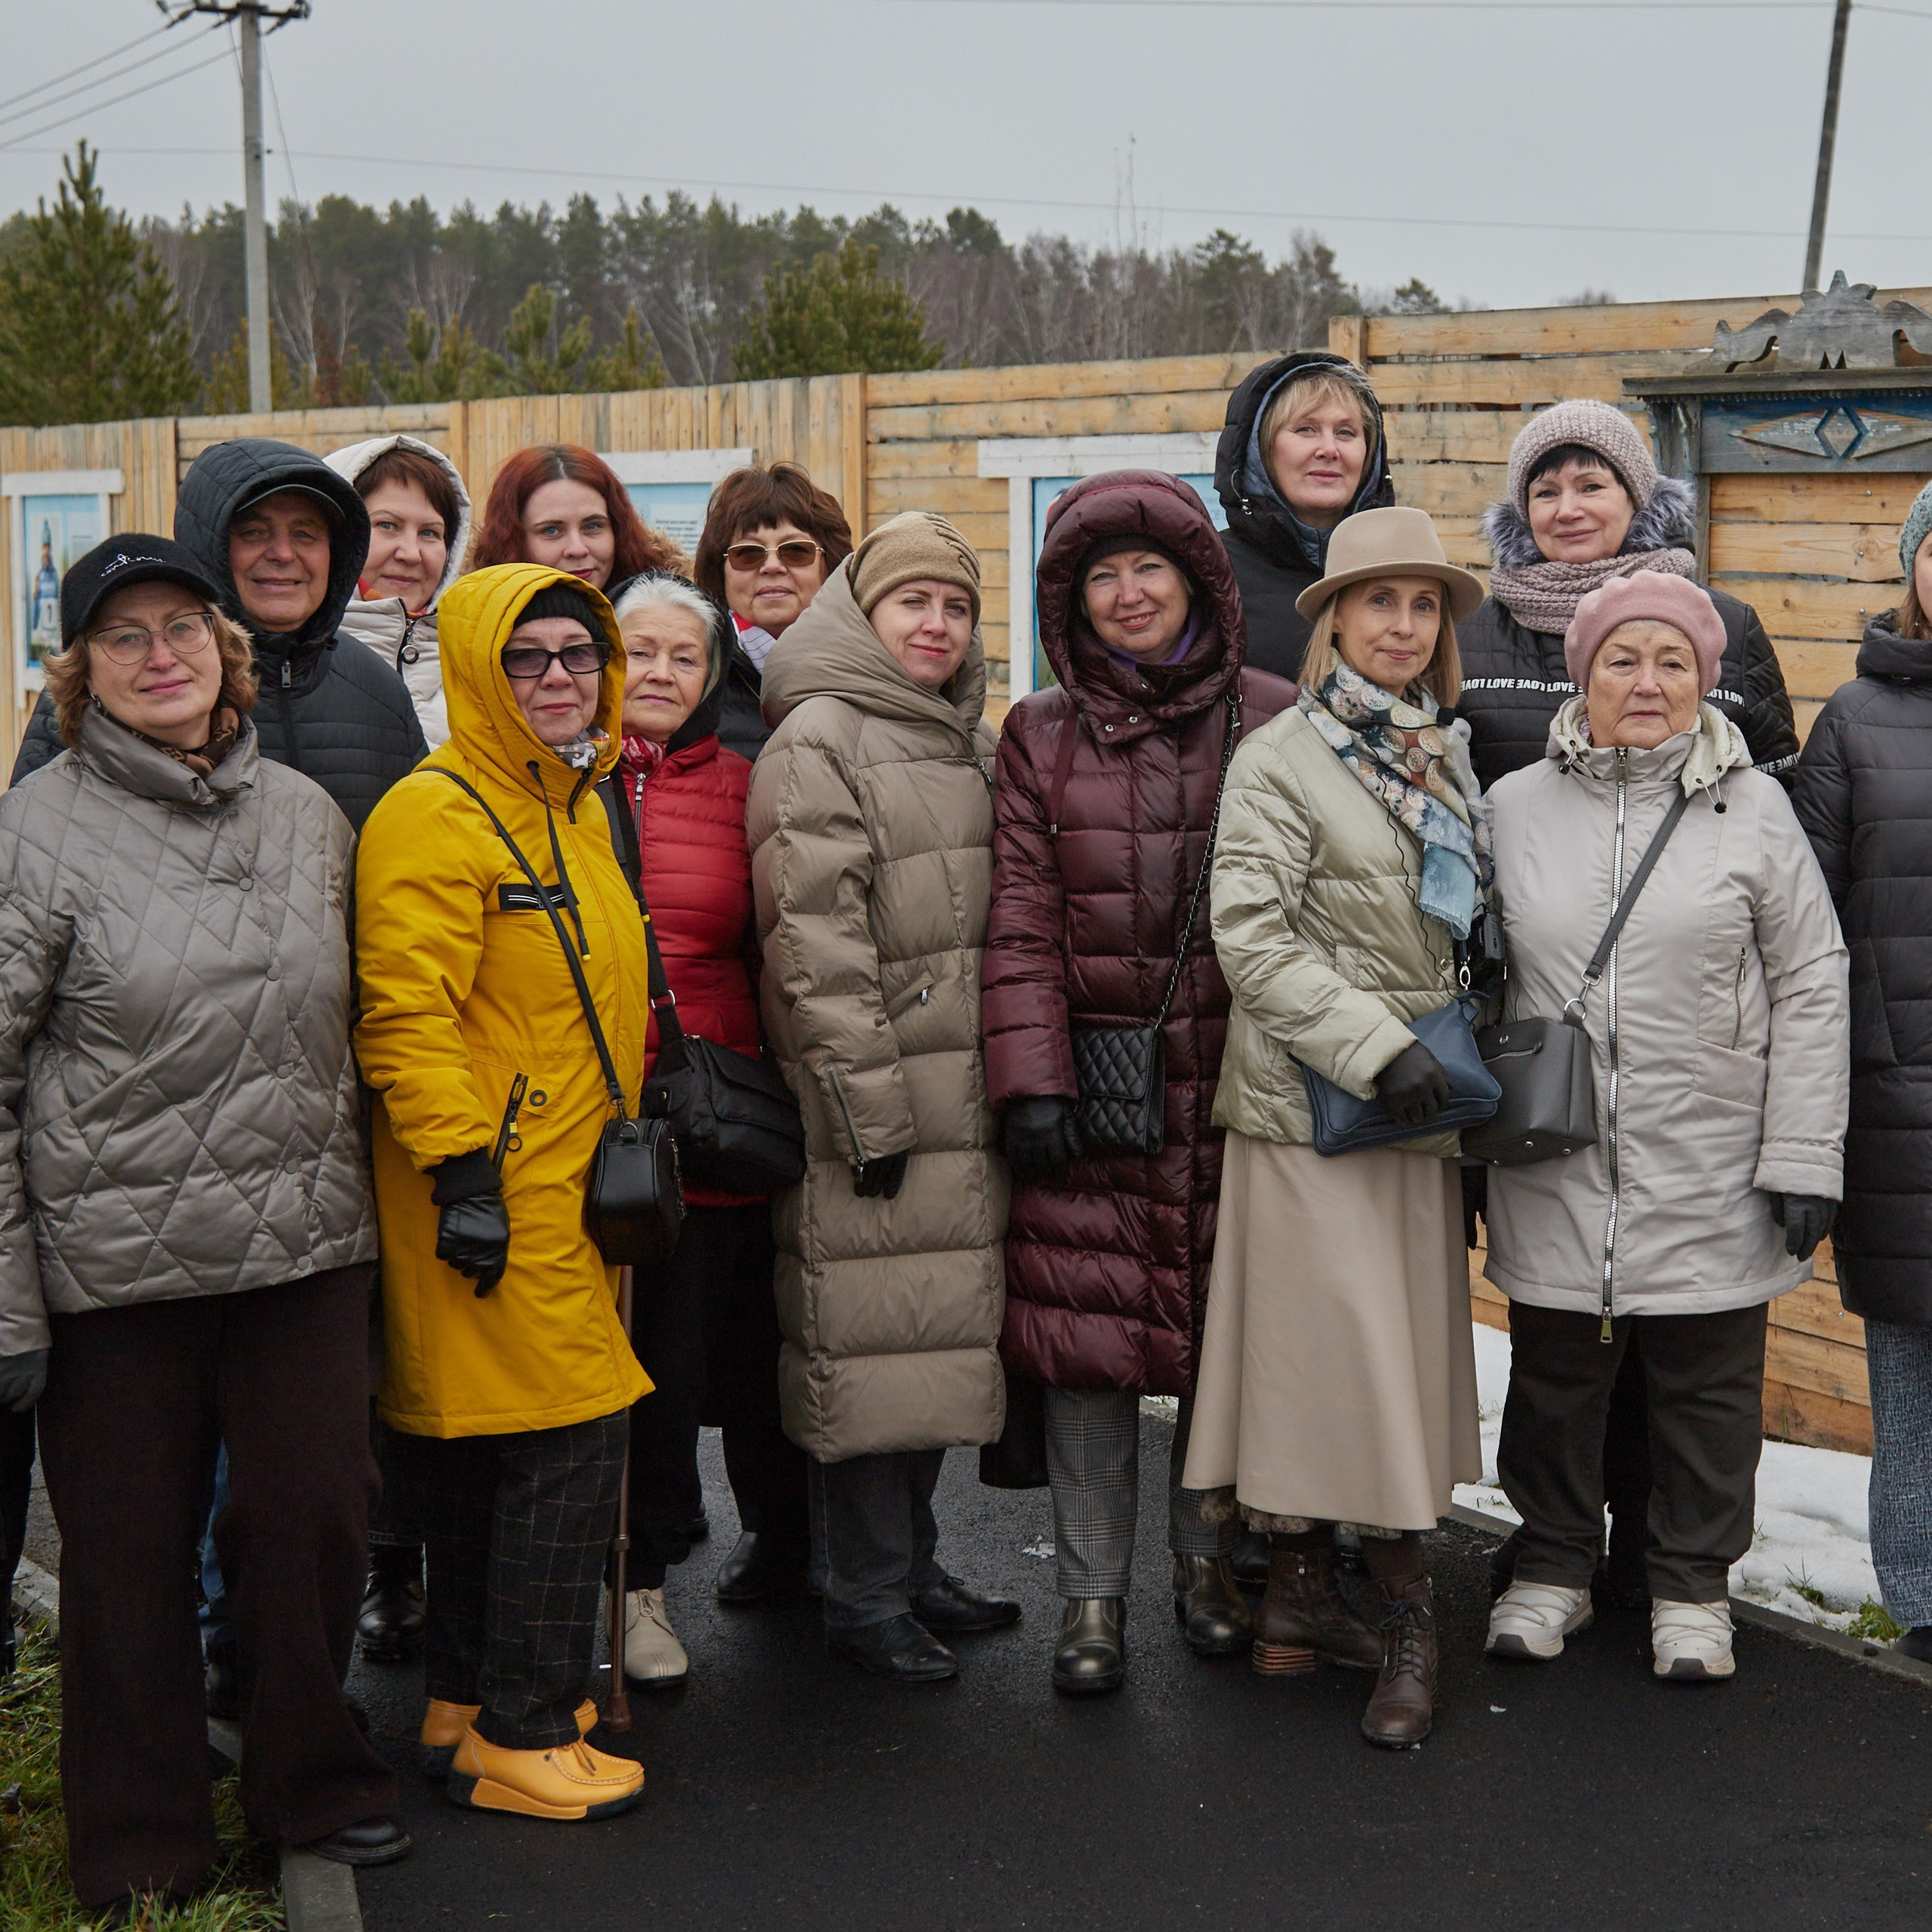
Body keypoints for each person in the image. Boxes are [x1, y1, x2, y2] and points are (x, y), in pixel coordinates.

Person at [0, 535, 406, 1914]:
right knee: (125, 1564)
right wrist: (8, 1309)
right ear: (81, 674)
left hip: (301, 1248)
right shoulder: (31, 833)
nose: (161, 653)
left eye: (184, 626)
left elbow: (372, 1023)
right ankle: (140, 1837)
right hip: (113, 1273)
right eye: (125, 636)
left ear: (229, 650)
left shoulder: (303, 813)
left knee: (312, 1527)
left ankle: (313, 1776)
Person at [1459, 398, 1802, 1611]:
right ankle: (1556, 1557)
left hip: (1693, 1059)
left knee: (1692, 1349)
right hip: (1550, 1053)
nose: (1567, 507)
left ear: (1637, 497)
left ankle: (1679, 1571)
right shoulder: (1478, 624)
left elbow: (1782, 855)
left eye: (1590, 484)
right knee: (1564, 1340)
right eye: (1545, 488)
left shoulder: (1733, 648)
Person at [1484, 571, 1847, 1683]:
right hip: (1559, 1156)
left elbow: (1814, 981)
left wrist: (1802, 1155)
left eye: (1673, 663)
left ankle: (1692, 1588)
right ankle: (1550, 1568)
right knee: (1557, 1380)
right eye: (1621, 662)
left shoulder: (1758, 809)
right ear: (1582, 676)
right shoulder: (1511, 808)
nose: (1648, 683)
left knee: (1706, 1386)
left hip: (1713, 1152)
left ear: (1707, 680)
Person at [981, 470, 1295, 1694]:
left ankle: (1207, 1572)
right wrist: (1032, 1082)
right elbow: (1018, 921)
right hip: (1097, 1091)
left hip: (1235, 1088)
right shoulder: (1039, 734)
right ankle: (1092, 1600)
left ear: (1196, 584)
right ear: (1072, 598)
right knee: (1088, 1355)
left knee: (1223, 1345)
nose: (1127, 594)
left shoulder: (1269, 716)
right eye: (1101, 575)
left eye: (1148, 569)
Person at [1182, 505, 1489, 1750]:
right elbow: (1250, 936)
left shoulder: (1440, 756)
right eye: (1381, 604)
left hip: (1421, 1106)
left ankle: (1300, 1603)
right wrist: (1375, 1048)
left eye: (1424, 607)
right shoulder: (1283, 757)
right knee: (1340, 1360)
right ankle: (1406, 1606)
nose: (1404, 626)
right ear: (1334, 623)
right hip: (1318, 1106)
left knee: (1383, 1357)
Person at [352, 563, 650, 1821]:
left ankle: (466, 1702)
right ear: (476, 670)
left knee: (494, 1457)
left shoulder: (570, 804)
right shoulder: (440, 812)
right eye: (525, 659)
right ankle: (524, 1730)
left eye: (577, 656)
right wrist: (464, 1170)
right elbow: (404, 1010)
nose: (556, 680)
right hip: (489, 1194)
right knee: (571, 1444)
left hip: (558, 1188)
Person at [747, 511, 1018, 1684]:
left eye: (954, 607)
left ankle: (910, 1565)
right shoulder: (822, 736)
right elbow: (815, 940)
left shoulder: (952, 736)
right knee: (864, 1347)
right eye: (914, 602)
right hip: (874, 1104)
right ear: (864, 612)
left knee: (928, 1340)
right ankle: (859, 1590)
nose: (937, 624)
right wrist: (866, 1110)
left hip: (955, 1094)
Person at [598, 572, 811, 1681]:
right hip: (589, 1122)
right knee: (601, 1366)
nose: (663, 675)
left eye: (687, 656)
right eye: (640, 652)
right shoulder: (557, 784)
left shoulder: (744, 784)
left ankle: (651, 1588)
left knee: (682, 1367)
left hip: (707, 1115)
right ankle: (600, 1583)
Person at [1793, 480, 1932, 1666]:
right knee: (1913, 1377)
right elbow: (1810, 920)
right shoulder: (1853, 718)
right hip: (1902, 1101)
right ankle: (1925, 1599)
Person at [12, 438, 427, 822]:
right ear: (208, 545)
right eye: (253, 532)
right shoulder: (107, 693)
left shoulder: (380, 691)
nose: (283, 553)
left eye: (305, 533)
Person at [1212, 349, 1395, 685]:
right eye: (1306, 429)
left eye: (1346, 433)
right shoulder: (1211, 570)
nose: (1329, 449)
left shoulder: (1401, 564)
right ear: (1261, 450)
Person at [692, 461, 854, 762]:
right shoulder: (691, 678)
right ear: (721, 572)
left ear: (829, 565)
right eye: (748, 554)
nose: (772, 567)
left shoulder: (872, 670)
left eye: (796, 550)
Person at [326, 432, 473, 749]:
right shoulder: (287, 670)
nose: (410, 553)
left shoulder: (477, 670)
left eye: (430, 533)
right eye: (387, 526)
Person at [469, 443, 681, 592]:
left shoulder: (672, 619)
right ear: (511, 541)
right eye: (551, 531)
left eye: (593, 526)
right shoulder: (468, 635)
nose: (578, 549)